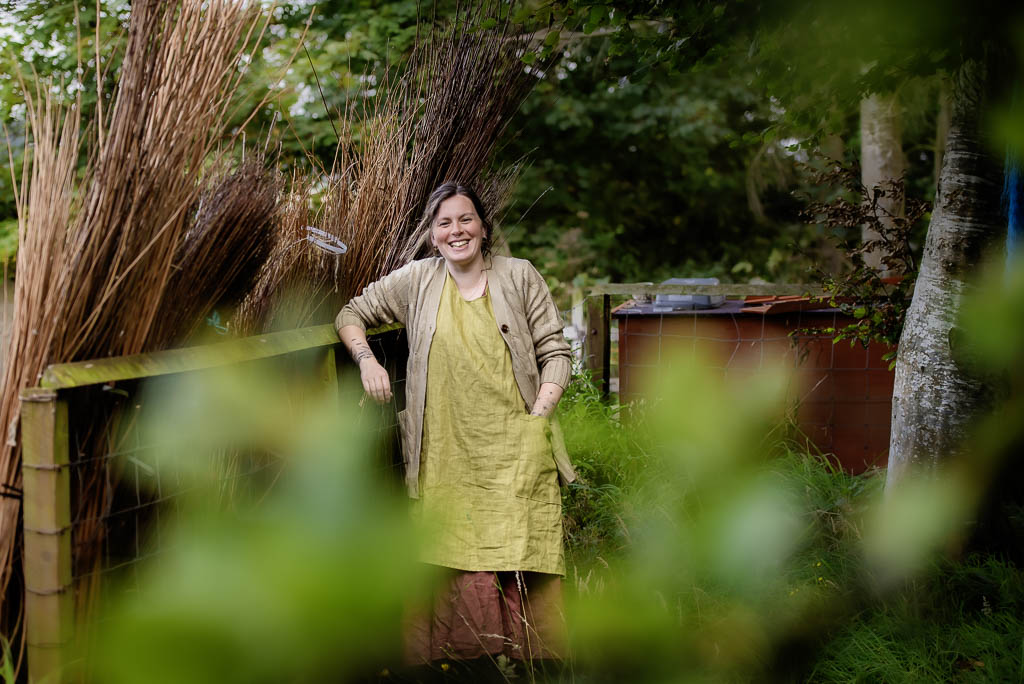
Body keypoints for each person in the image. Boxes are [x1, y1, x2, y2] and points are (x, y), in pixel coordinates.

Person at [335, 181, 576, 671]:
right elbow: (350, 312)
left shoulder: (520, 276)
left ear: (484, 229)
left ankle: (532, 667)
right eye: (444, 223)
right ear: (432, 235)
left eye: (466, 219)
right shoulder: (417, 280)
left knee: (520, 553)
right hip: (445, 457)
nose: (456, 230)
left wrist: (538, 421)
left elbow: (556, 352)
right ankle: (472, 665)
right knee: (456, 555)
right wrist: (366, 361)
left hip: (516, 449)